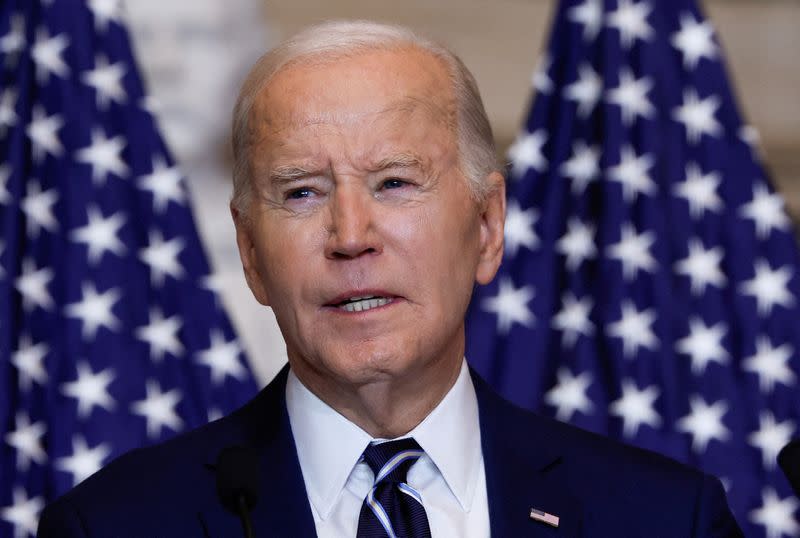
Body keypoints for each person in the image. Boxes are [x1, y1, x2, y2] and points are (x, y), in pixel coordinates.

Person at [38, 20, 743, 537]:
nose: (351, 237)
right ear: (250, 252)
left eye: (395, 182)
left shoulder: (665, 519)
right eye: (303, 193)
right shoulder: (111, 525)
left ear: (488, 227)